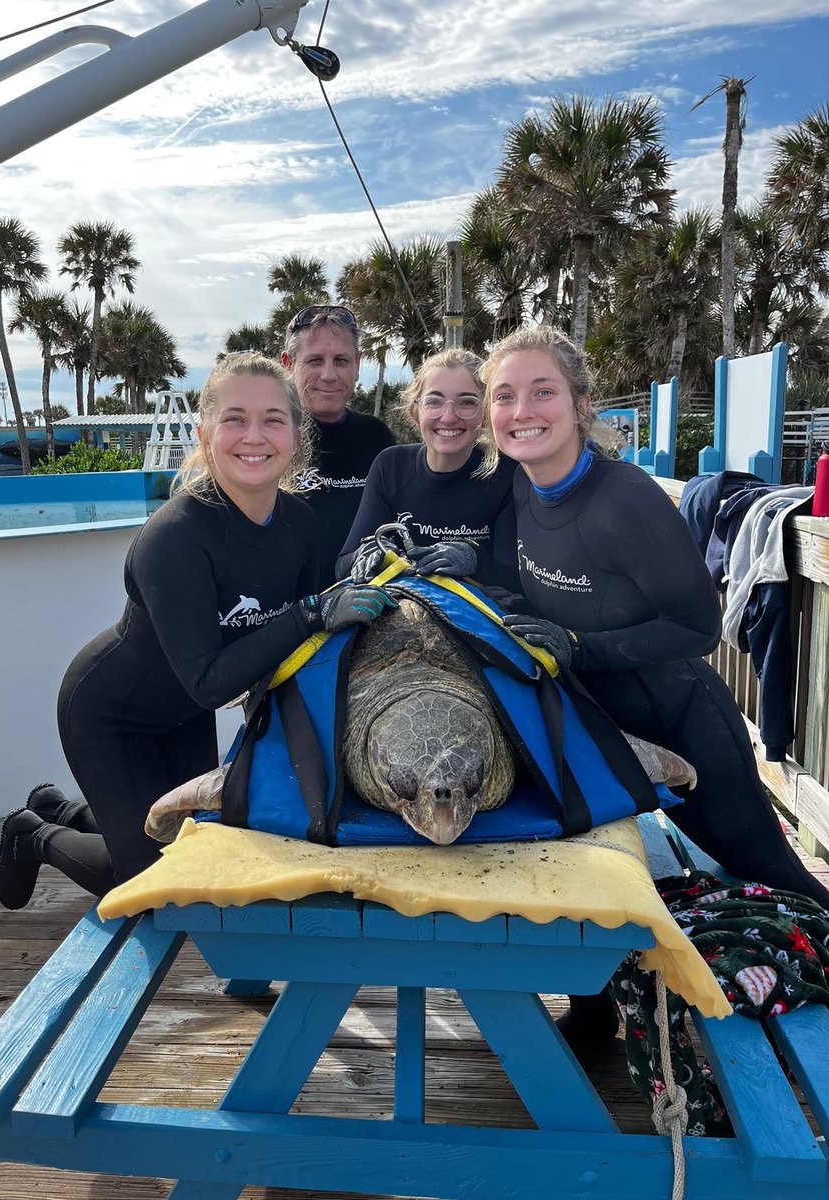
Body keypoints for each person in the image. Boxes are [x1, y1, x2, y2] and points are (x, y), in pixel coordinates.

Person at [480, 324, 829, 1047]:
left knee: (765, 866)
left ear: (580, 405)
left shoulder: (625, 497)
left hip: (679, 722)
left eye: (543, 392)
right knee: (590, 866)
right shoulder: (519, 483)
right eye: (506, 396)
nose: (524, 411)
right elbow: (526, 578)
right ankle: (594, 1006)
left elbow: (699, 626)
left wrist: (580, 646)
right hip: (599, 727)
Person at [0, 353, 396, 908]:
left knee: (197, 849)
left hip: (183, 718)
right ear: (206, 434)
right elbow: (210, 680)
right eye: (235, 418)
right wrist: (310, 613)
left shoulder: (300, 523)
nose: (254, 436)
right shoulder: (177, 537)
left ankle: (62, 807)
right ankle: (32, 834)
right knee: (150, 882)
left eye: (273, 419)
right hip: (111, 715)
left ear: (296, 436)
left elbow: (295, 651)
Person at [335, 348, 517, 585]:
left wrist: (476, 561)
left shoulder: (506, 473)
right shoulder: (390, 466)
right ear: (414, 412)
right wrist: (367, 555)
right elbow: (342, 566)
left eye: (467, 402)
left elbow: (518, 582)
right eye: (434, 401)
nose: (449, 417)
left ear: (484, 413)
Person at [281, 305, 396, 590]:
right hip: (291, 616)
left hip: (368, 607)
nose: (329, 375)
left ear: (357, 365)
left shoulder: (377, 436)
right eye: (315, 360)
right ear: (288, 365)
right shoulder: (270, 440)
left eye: (341, 361)